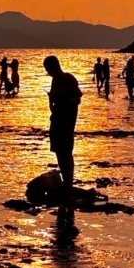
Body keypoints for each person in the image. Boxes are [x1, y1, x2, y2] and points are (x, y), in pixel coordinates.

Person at [44, 55, 82, 195]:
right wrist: (51, 99)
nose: (47, 72)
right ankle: (66, 182)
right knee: (59, 152)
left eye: (48, 69)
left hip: (66, 121)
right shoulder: (55, 80)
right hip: (57, 119)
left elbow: (77, 98)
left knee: (66, 152)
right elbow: (53, 106)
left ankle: (68, 183)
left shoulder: (67, 78)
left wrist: (61, 96)